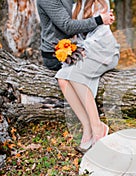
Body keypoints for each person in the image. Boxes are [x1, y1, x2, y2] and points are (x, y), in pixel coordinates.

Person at [37, 0, 119, 153]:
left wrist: (81, 49)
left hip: (101, 50)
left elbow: (99, 34)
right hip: (79, 50)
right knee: (62, 79)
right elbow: (70, 28)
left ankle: (98, 127)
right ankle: (87, 127)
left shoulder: (99, 3)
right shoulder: (77, 4)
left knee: (75, 77)